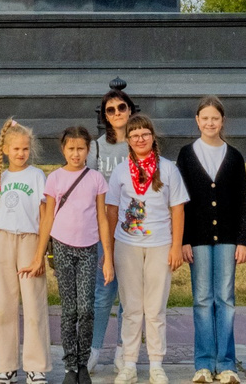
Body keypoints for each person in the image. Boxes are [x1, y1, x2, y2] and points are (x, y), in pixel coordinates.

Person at [99, 114, 187, 384]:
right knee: (131, 306)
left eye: (144, 134)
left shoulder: (168, 168)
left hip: (160, 244)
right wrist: (110, 251)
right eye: (134, 134)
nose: (140, 138)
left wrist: (176, 246)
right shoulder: (121, 170)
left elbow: (178, 209)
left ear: (152, 137)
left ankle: (157, 363)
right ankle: (129, 363)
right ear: (128, 139)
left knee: (155, 307)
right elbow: (112, 211)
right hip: (127, 245)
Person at [177, 97, 246, 384]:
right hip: (196, 238)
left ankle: (227, 363)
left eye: (215, 119)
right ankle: (204, 364)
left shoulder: (234, 156)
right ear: (197, 121)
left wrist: (244, 240)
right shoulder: (186, 154)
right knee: (202, 299)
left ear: (222, 122)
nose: (210, 123)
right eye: (205, 118)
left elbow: (244, 200)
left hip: (227, 239)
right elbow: (180, 201)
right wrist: (183, 240)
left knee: (225, 299)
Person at [41, 125, 108, 384]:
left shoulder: (96, 179)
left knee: (86, 308)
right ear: (63, 149)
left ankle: (83, 362)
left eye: (81, 149)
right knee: (69, 309)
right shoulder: (55, 178)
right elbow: (47, 217)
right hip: (62, 247)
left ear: (88, 150)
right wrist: (40, 254)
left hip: (89, 248)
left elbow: (102, 217)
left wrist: (108, 255)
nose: (76, 154)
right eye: (71, 148)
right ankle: (70, 365)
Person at [0, 120, 51, 384]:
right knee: (4, 306)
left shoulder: (37, 176)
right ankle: (6, 366)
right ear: (5, 150)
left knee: (34, 304)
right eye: (15, 148)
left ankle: (36, 366)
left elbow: (44, 214)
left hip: (29, 240)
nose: (21, 153)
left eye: (25, 148)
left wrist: (41, 253)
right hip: (3, 241)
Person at [91, 91, 138, 370]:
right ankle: (95, 349)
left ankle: (123, 350)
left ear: (130, 110)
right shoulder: (97, 147)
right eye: (111, 109)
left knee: (129, 294)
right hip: (105, 229)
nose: (117, 113)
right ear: (105, 115)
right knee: (103, 292)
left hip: (133, 227)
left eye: (122, 107)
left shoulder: (139, 144)